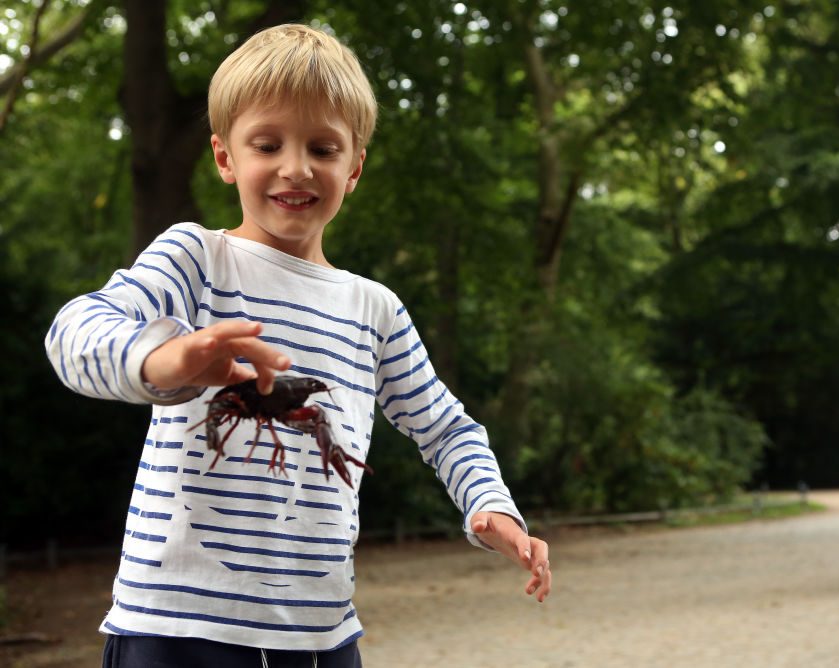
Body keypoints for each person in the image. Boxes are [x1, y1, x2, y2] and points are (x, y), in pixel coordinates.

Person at [45, 24, 551, 668]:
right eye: (266, 143)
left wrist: (490, 506)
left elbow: (447, 429)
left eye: (322, 147)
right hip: (174, 627)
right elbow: (74, 331)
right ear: (225, 157)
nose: (296, 167)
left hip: (320, 635)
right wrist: (162, 360)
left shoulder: (375, 309)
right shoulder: (196, 259)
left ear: (354, 166)